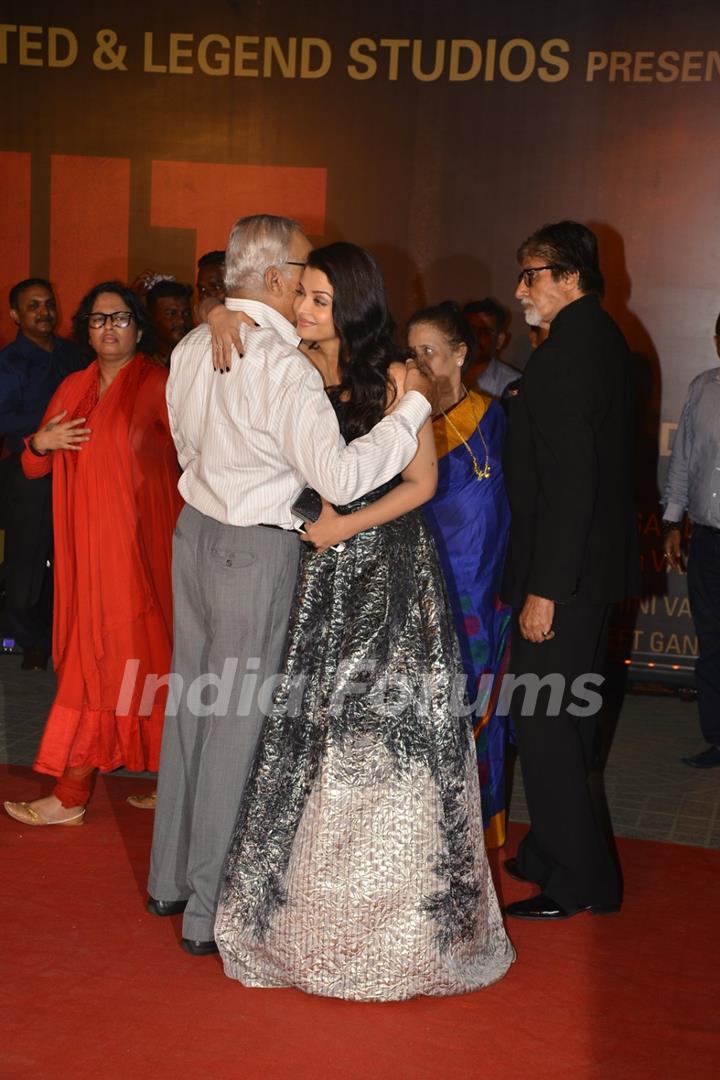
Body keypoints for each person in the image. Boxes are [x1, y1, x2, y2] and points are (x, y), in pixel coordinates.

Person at [213, 242, 514, 1001]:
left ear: (349, 304)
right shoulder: (288, 365)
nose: (303, 309)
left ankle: (403, 926)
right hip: (314, 574)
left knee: (387, 733)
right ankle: (304, 921)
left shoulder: (395, 379)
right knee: (310, 735)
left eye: (318, 298)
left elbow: (421, 482)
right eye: (301, 296)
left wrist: (348, 527)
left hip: (388, 570)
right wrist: (219, 309)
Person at [147, 215, 435, 958]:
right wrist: (411, 410)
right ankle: (207, 913)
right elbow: (338, 478)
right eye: (302, 277)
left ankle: (169, 880)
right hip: (252, 547)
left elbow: (182, 441)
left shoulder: (188, 345)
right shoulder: (282, 364)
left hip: (194, 532)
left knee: (191, 708)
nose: (308, 294)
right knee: (233, 724)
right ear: (274, 278)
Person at [3, 282, 182, 826]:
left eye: (120, 318)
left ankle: (85, 788)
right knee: (96, 660)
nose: (109, 328)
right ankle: (95, 787)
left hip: (140, 556)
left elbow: (196, 456)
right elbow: (34, 464)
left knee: (142, 662)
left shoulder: (160, 385)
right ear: (85, 329)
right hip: (84, 554)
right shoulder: (73, 386)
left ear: (138, 327)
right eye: (98, 319)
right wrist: (39, 444)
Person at [501, 220, 638, 921]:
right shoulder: (600, 338)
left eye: (532, 274)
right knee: (563, 722)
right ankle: (555, 852)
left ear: (570, 278)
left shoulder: (567, 355)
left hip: (566, 578)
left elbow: (574, 482)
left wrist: (545, 590)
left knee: (547, 722)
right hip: (585, 571)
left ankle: (578, 882)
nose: (521, 288)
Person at [402, 300, 513, 849]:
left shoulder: (495, 420)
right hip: (413, 588)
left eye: (431, 352)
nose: (420, 363)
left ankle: (476, 830)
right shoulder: (401, 420)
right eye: (412, 352)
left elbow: (504, 514)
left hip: (476, 592)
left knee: (473, 706)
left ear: (462, 355)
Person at [0, 278, 86, 670]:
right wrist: (47, 429)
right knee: (27, 558)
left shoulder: (73, 354)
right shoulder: (9, 362)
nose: (44, 312)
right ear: (16, 316)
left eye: (49, 304)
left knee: (66, 554)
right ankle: (27, 638)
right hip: (28, 473)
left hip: (74, 469)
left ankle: (58, 634)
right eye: (33, 306)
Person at [662, 313, 720, 769]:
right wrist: (672, 522)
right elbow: (682, 460)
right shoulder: (702, 388)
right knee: (712, 643)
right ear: (717, 341)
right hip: (707, 542)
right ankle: (717, 739)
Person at [462, 298, 521, 398]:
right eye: (470, 330)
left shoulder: (514, 383)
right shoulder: (442, 375)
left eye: (485, 331)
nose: (475, 336)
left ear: (500, 340)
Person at [144, 279, 193, 366]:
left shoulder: (198, 356)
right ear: (151, 317)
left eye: (186, 313)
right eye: (171, 314)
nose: (181, 321)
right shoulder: (142, 361)